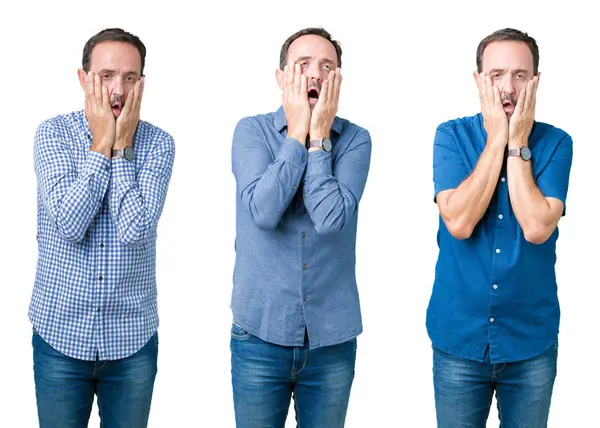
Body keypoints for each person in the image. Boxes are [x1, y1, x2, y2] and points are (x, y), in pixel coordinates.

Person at [29, 27, 175, 428]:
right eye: (106, 75)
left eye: (130, 78)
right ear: (83, 78)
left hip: (131, 343)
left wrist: (123, 147)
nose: (118, 89)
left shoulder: (159, 145)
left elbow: (135, 230)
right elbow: (69, 223)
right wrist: (102, 144)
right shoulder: (52, 134)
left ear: (141, 84)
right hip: (60, 338)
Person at [427, 28, 573, 427]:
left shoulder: (557, 143)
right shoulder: (451, 136)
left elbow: (537, 226)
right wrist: (496, 141)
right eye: (496, 75)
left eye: (520, 76)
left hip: (530, 343)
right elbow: (458, 221)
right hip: (459, 339)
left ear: (535, 82)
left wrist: (517, 143)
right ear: (478, 81)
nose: (508, 87)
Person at [229, 27, 372, 427]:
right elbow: (263, 211)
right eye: (303, 65)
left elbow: (329, 220)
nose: (316, 74)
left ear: (338, 79)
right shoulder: (251, 131)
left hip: (332, 340)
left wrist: (320, 138)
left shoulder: (356, 141)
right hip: (258, 335)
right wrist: (297, 132)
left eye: (327, 67)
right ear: (281, 78)